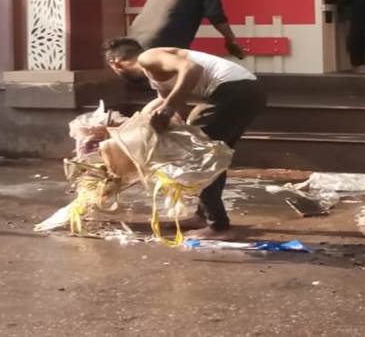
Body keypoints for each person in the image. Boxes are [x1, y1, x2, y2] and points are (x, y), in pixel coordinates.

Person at [103, 37, 265, 238]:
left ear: (116, 64)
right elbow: (163, 103)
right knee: (212, 158)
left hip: (233, 91)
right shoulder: (155, 73)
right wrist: (130, 128)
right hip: (245, 92)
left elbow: (191, 69)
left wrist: (169, 107)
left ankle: (218, 225)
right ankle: (204, 215)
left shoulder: (148, 57)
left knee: (198, 157)